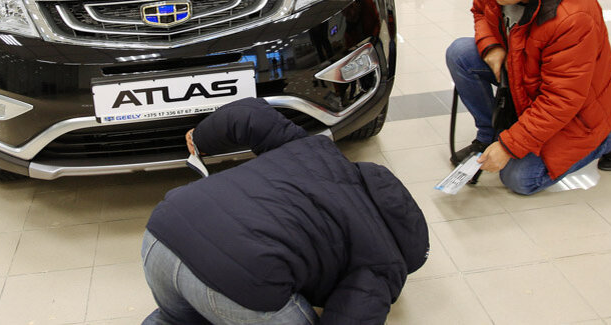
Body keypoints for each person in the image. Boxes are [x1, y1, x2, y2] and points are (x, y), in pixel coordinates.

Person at [142, 97, 429, 324]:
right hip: (240, 276)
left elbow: (250, 114)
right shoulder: (386, 262)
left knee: (177, 318)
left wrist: (201, 137)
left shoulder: (316, 151)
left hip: (163, 231)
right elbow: (354, 314)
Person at [445, 0, 611, 195]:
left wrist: (509, 147)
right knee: (460, 53)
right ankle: (488, 136)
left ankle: (610, 134)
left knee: (519, 179)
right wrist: (492, 46)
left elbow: (561, 99)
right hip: (525, 71)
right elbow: (480, 9)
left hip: (577, 111)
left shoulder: (573, 19)